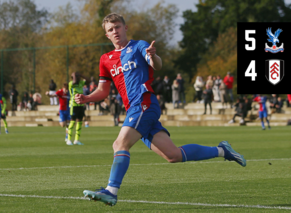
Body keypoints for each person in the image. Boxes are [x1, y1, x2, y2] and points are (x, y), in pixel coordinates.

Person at [74, 13, 246, 206]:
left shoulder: (138, 46)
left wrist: (153, 55)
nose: (115, 31)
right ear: (106, 35)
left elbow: (157, 65)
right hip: (134, 109)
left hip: (144, 104)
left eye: (117, 27)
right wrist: (87, 98)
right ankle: (222, 150)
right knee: (173, 155)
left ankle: (111, 191)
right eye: (110, 29)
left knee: (119, 144)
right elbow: (103, 90)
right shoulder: (105, 59)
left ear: (125, 27)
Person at [67, 72, 90, 145]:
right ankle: (69, 140)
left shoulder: (81, 83)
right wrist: (74, 75)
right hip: (73, 105)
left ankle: (76, 140)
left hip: (80, 105)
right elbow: (74, 82)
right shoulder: (71, 83)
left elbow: (88, 81)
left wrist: (81, 75)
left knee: (79, 122)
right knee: (72, 122)